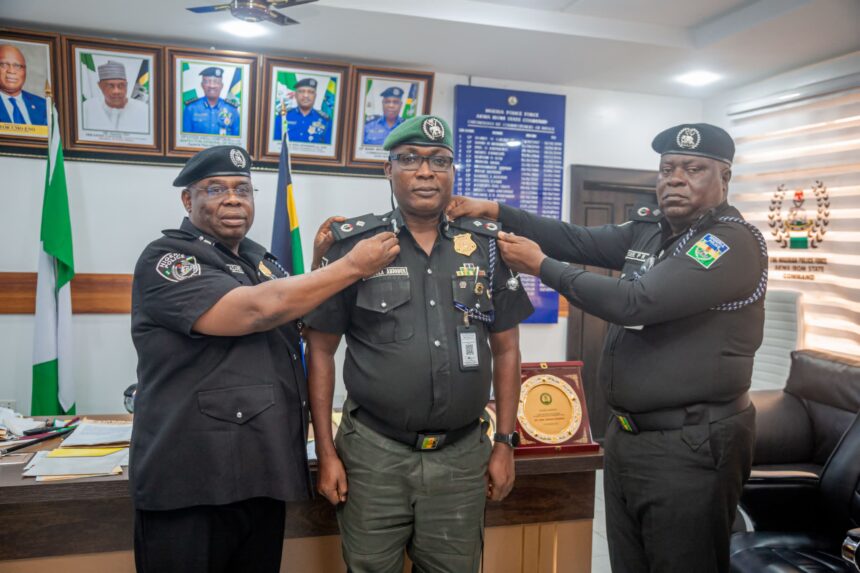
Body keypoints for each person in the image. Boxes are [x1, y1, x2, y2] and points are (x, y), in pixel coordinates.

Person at [447, 123, 768, 573]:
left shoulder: (729, 243)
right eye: (667, 169)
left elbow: (635, 302)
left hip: (692, 443)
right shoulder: (652, 231)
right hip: (630, 437)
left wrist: (541, 266)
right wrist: (497, 211)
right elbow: (575, 239)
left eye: (693, 169)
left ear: (725, 176)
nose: (675, 179)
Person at [129, 145, 399, 573]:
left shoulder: (260, 259)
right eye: (215, 189)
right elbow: (255, 311)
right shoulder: (168, 258)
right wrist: (351, 266)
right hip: (192, 482)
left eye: (242, 189)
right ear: (187, 200)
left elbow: (296, 316)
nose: (232, 199)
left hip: (260, 472)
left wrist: (320, 260)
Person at [304, 115, 534, 573]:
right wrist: (326, 452)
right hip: (374, 456)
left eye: (439, 161)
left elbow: (507, 350)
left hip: (462, 458)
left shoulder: (487, 247)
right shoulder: (353, 247)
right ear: (387, 169)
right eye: (410, 159)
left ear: (453, 171)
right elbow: (320, 351)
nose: (426, 172)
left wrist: (505, 443)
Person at [81, 60, 148, 133]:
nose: (116, 91)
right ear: (100, 85)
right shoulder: (86, 108)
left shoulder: (144, 110)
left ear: (126, 85)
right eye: (110, 86)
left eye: (121, 85)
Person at [182, 67, 239, 136]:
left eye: (216, 82)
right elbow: (184, 138)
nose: (212, 86)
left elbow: (237, 138)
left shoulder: (232, 109)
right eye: (207, 81)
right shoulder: (191, 108)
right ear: (202, 85)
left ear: (222, 86)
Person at [274, 77, 332, 144]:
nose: (306, 95)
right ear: (296, 95)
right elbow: (274, 145)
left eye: (310, 92)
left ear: (315, 96)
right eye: (302, 91)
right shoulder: (282, 117)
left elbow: (329, 148)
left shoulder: (326, 121)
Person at [0, 44, 47, 126]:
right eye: (4, 65)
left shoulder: (43, 105)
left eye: (17, 66)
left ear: (25, 70)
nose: (11, 71)